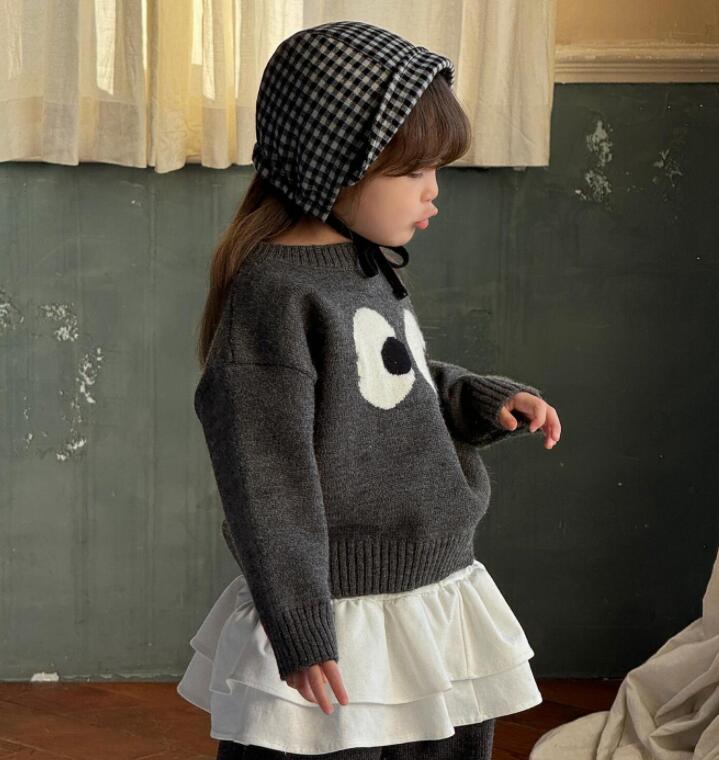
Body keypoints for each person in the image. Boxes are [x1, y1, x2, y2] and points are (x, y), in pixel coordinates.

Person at [176, 19, 562, 760]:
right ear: (332, 166)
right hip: (344, 613)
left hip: (432, 589)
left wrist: (479, 399)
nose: (433, 190)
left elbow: (387, 384)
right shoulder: (276, 296)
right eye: (413, 171)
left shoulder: (364, 265)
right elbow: (265, 480)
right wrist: (299, 623)